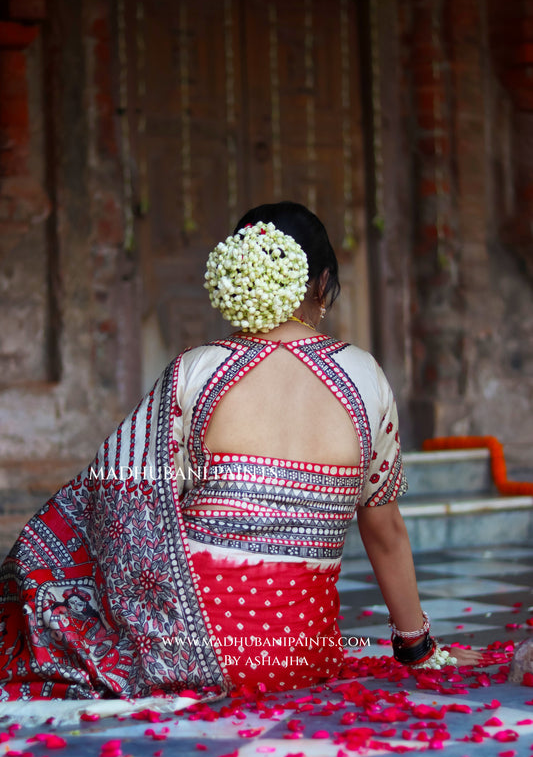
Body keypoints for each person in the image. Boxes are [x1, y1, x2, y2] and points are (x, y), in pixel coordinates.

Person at [0, 201, 482, 701]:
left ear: (238, 275)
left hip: (186, 649)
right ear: (321, 283)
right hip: (300, 656)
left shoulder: (197, 370)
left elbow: (113, 497)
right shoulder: (365, 376)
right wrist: (416, 648)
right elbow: (384, 529)